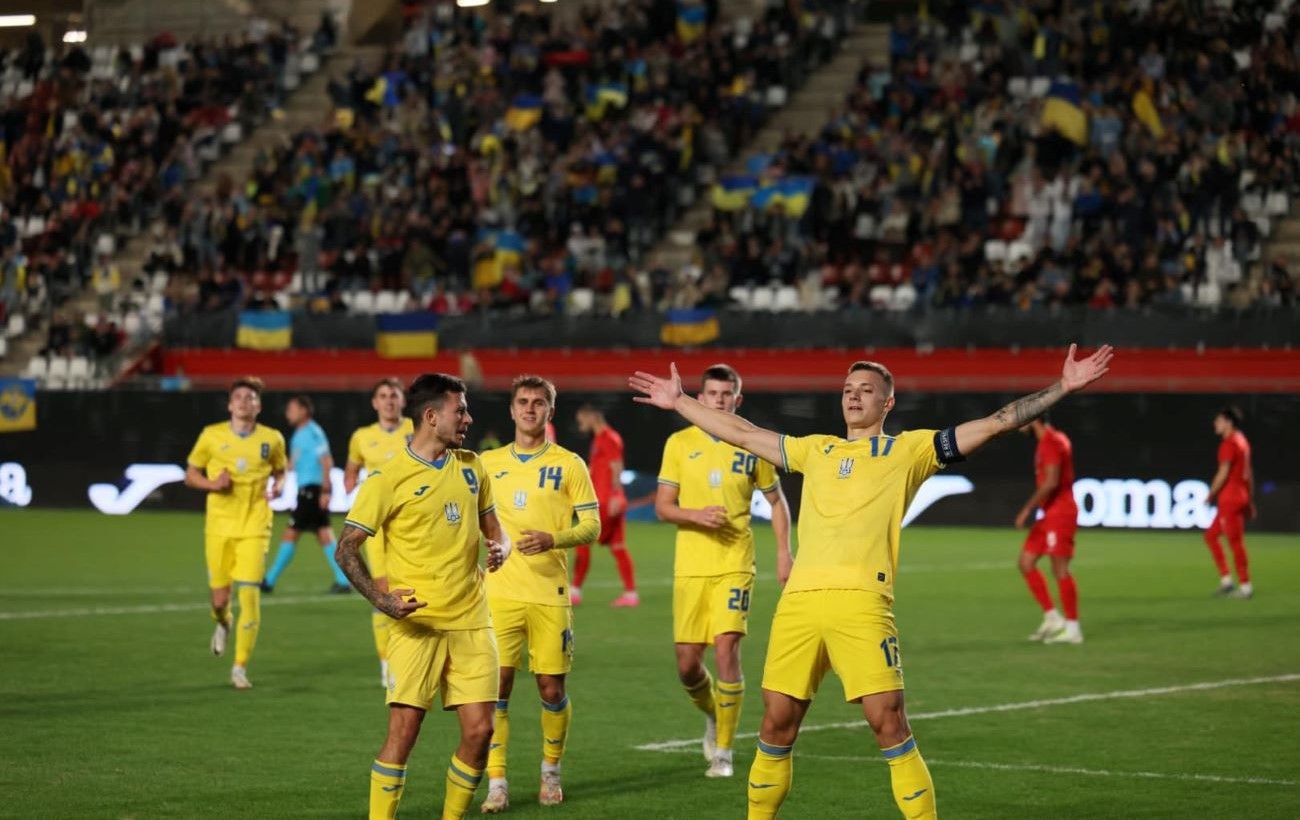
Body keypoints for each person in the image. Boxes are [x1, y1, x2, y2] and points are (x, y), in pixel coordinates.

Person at [630, 344, 1113, 819]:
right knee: (776, 726)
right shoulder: (816, 449)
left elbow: (996, 422)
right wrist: (680, 402)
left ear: (888, 402)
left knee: (890, 724)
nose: (854, 395)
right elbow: (741, 432)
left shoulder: (910, 450)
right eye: (847, 388)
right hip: (799, 604)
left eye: (866, 389)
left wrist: (1062, 386)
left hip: (862, 603)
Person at [335, 373, 510, 820]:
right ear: (432, 417)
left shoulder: (472, 466)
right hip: (418, 624)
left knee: (481, 732)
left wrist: (503, 546)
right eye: (460, 411)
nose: (468, 419)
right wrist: (383, 601)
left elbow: (495, 526)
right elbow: (346, 548)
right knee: (404, 734)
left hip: (472, 620)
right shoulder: (387, 479)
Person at [654, 364, 792, 779]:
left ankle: (725, 753)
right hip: (691, 567)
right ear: (700, 398)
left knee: (727, 648)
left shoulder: (751, 443)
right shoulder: (679, 443)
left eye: (726, 394)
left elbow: (777, 502)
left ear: (737, 399)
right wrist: (696, 515)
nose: (719, 400)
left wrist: (784, 553)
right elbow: (663, 507)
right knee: (687, 666)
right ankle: (715, 715)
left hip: (735, 564)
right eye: (712, 394)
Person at [478, 375, 601, 812]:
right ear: (512, 409)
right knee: (497, 688)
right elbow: (470, 519)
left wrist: (553, 539)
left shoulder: (570, 464)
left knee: (550, 688)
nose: (530, 409)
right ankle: (497, 782)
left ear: (550, 411)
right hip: (499, 593)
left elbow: (593, 526)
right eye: (523, 402)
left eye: (538, 402)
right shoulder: (487, 463)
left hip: (550, 592)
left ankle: (551, 772)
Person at [183, 376, 287, 690]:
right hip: (219, 527)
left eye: (250, 398)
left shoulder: (272, 438)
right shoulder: (211, 435)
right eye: (239, 397)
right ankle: (223, 621)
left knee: (250, 594)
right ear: (230, 405)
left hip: (256, 525)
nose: (244, 401)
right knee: (220, 600)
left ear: (259, 406)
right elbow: (191, 474)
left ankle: (240, 667)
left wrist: (278, 487)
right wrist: (212, 484)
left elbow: (281, 471)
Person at [345, 378, 416, 687]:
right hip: (376, 525)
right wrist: (353, 485)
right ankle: (387, 662)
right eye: (383, 396)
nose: (389, 401)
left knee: (412, 586)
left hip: (411, 522)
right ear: (375, 403)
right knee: (382, 590)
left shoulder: (415, 429)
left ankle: (412, 653)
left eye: (394, 395)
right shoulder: (362, 436)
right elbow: (351, 470)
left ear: (402, 401)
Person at [263, 395, 350, 594]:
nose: (288, 413)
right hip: (308, 491)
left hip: (312, 491)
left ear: (303, 411)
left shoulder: (312, 432)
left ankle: (269, 580)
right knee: (324, 535)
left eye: (291, 409)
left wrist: (326, 490)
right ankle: (343, 580)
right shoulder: (301, 434)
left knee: (291, 533)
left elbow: (326, 461)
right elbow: (293, 463)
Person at [1014, 417, 1082, 644]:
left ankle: (1073, 629)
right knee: (1026, 562)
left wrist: (1027, 509)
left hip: (1060, 513)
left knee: (1060, 569)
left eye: (1021, 418)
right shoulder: (1054, 439)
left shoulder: (1050, 443)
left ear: (1034, 419)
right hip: (1049, 514)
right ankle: (1053, 618)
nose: (1018, 424)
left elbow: (1051, 482)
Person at [571, 404, 638, 607]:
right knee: (618, 547)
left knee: (582, 541)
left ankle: (574, 591)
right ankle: (631, 595)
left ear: (592, 416)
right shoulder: (600, 439)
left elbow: (617, 467)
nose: (580, 424)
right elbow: (598, 468)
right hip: (609, 499)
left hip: (607, 501)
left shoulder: (609, 438)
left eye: (581, 419)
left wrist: (616, 495)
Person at [1204, 406, 1255, 599]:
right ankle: (1226, 581)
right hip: (1239, 495)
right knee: (1211, 536)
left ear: (1229, 422)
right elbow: (1248, 473)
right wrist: (1249, 499)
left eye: (1219, 421)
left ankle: (1245, 586)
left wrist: (1210, 494)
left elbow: (1223, 473)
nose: (1215, 424)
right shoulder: (1242, 440)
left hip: (1230, 499)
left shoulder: (1229, 443)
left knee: (1235, 542)